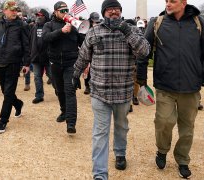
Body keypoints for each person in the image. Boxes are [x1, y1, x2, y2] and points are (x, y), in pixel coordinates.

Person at [137, 0, 204, 178]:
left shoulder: (199, 23)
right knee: (164, 122)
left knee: (187, 128)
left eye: (173, 1)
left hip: (191, 87)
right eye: (166, 1)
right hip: (164, 85)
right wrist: (141, 79)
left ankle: (182, 159)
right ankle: (162, 150)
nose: (168, 4)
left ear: (183, 3)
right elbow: (143, 52)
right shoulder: (157, 22)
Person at [73, 0, 150, 179]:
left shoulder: (132, 30)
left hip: (124, 91)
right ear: (103, 12)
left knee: (121, 126)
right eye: (109, 9)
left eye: (117, 9)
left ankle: (120, 152)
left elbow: (145, 51)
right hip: (99, 91)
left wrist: (127, 31)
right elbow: (83, 56)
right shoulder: (93, 31)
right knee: (100, 132)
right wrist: (75, 74)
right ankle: (99, 173)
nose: (114, 12)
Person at [0, 0, 30, 133]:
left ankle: (3, 121)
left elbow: (26, 45)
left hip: (13, 62)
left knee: (8, 93)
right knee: (5, 91)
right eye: (11, 10)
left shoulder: (22, 25)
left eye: (15, 10)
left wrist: (26, 63)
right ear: (5, 11)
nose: (14, 12)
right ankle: (18, 104)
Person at [43, 1, 84, 134]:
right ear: (55, 12)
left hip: (71, 63)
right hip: (55, 63)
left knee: (70, 91)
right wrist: (61, 31)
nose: (65, 13)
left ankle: (71, 123)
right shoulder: (49, 25)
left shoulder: (74, 24)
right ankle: (64, 111)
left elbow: (83, 42)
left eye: (66, 10)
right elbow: (45, 38)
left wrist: (82, 29)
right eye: (62, 11)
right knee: (59, 90)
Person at [29, 9, 51, 104]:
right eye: (37, 15)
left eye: (41, 15)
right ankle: (39, 96)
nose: (38, 16)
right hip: (36, 57)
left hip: (48, 57)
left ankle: (60, 92)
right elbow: (30, 41)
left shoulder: (50, 27)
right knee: (37, 77)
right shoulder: (34, 27)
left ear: (45, 16)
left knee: (52, 76)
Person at [83, 12, 101, 95]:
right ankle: (87, 86)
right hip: (87, 50)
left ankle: (95, 86)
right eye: (94, 21)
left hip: (96, 51)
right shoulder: (85, 27)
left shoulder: (100, 27)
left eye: (97, 22)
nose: (96, 23)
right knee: (87, 70)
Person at [17, 10, 31, 91]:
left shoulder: (25, 25)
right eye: (18, 15)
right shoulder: (13, 25)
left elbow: (29, 37)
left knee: (26, 66)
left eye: (20, 15)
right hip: (16, 49)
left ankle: (27, 84)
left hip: (25, 49)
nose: (19, 16)